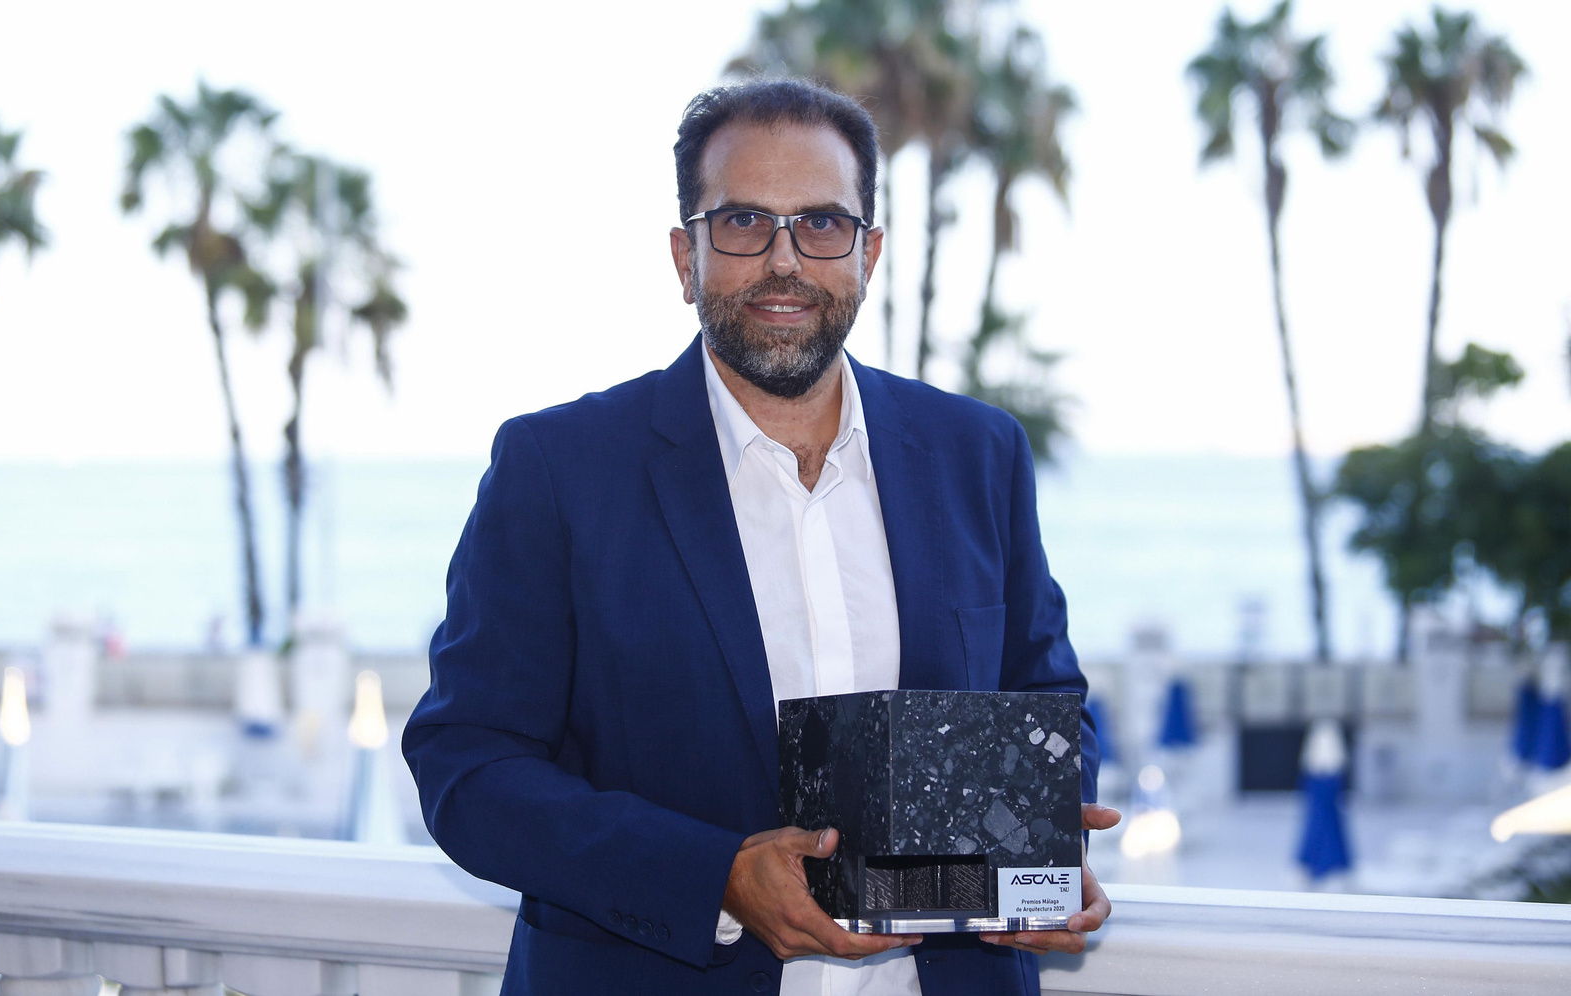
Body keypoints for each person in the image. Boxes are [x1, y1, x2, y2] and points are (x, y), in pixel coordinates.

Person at [403, 78, 1119, 996]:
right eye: (743, 222)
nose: (785, 261)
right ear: (685, 257)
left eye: (821, 224)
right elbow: (469, 766)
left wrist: (1035, 852)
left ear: (870, 252)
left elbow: (1044, 698)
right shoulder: (560, 467)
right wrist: (718, 878)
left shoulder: (976, 453)